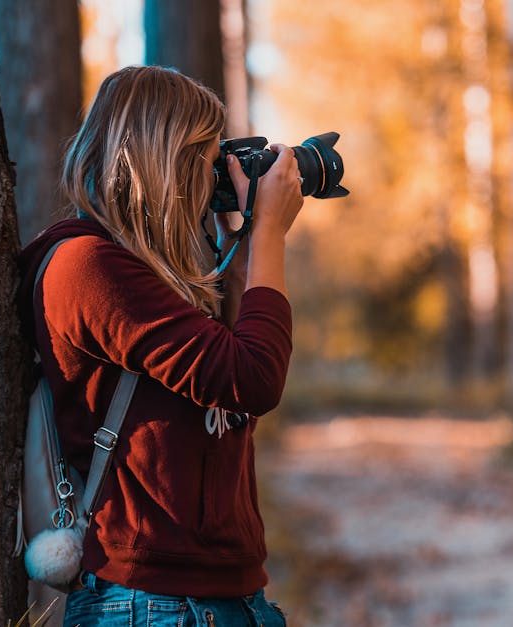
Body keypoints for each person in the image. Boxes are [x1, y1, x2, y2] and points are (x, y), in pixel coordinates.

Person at [16, 65, 301, 626]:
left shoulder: (155, 276)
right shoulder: (88, 267)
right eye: (205, 157)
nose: (212, 175)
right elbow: (254, 378)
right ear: (164, 159)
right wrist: (267, 233)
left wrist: (237, 242)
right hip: (151, 603)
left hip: (223, 597)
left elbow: (231, 401)